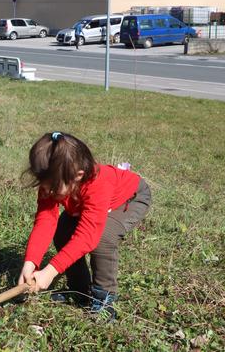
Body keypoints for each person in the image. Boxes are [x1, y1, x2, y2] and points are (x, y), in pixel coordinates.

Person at [17, 132, 151, 321]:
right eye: (43, 185)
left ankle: (103, 299)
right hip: (84, 204)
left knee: (102, 237)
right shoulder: (53, 179)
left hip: (130, 199)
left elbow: (88, 236)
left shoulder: (98, 184)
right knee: (63, 230)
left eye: (53, 187)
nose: (46, 191)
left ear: (78, 175)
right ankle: (80, 290)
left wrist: (50, 271)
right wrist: (30, 263)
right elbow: (45, 221)